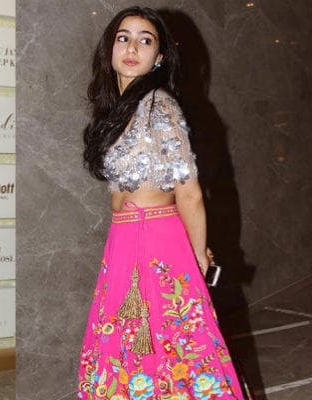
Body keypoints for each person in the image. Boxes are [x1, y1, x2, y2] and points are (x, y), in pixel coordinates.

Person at [78, 6, 244, 399]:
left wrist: (198, 257)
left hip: (157, 240)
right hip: (123, 241)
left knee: (176, 346)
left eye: (145, 40)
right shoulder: (117, 109)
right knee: (129, 345)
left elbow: (189, 190)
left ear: (159, 56)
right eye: (123, 38)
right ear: (109, 49)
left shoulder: (159, 105)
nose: (132, 48)